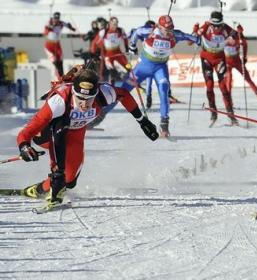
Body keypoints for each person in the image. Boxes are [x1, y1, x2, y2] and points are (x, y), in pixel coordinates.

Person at [16, 67, 158, 211]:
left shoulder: (104, 93)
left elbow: (124, 95)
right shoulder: (58, 101)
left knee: (70, 181)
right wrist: (24, 146)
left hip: (75, 132)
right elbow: (26, 132)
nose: (84, 104)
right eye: (80, 98)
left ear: (96, 94)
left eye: (89, 99)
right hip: (47, 133)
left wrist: (142, 121)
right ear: (73, 92)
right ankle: (56, 179)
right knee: (61, 127)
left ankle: (40, 189)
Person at [125, 15, 199, 137]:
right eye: (166, 29)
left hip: (160, 68)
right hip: (144, 66)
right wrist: (132, 46)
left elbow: (193, 38)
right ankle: (100, 111)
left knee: (164, 91)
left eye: (171, 28)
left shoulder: (175, 34)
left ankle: (164, 125)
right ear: (159, 27)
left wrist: (198, 39)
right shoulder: (150, 31)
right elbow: (137, 31)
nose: (169, 31)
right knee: (125, 88)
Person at [193, 11, 238, 126]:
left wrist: (236, 36)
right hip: (206, 59)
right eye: (214, 25)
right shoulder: (206, 27)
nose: (216, 27)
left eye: (218, 25)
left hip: (219, 59)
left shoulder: (225, 28)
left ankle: (230, 114)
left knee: (223, 86)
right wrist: (195, 31)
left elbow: (236, 35)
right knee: (209, 85)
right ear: (210, 22)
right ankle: (213, 111)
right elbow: (189, 42)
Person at [225, 23, 257, 107]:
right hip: (227, 61)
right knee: (228, 80)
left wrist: (244, 58)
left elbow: (245, 48)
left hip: (237, 61)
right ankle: (228, 100)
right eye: (232, 38)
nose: (233, 40)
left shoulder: (241, 41)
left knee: (248, 78)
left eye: (235, 38)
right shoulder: (227, 40)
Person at [92, 16, 130, 84]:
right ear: (110, 23)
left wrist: (127, 47)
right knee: (112, 70)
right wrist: (94, 52)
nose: (115, 26)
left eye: (116, 24)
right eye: (113, 24)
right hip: (108, 54)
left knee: (127, 65)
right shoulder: (104, 31)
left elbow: (125, 39)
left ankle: (131, 79)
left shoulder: (120, 30)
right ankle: (113, 85)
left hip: (117, 51)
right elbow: (95, 42)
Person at [43, 11, 76, 79]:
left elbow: (70, 27)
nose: (56, 20)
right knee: (54, 60)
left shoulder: (61, 23)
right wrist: (51, 27)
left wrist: (71, 27)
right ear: (53, 17)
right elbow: (45, 31)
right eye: (55, 18)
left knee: (60, 60)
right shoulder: (49, 22)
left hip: (57, 44)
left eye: (57, 18)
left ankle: (62, 76)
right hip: (49, 45)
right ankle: (57, 76)